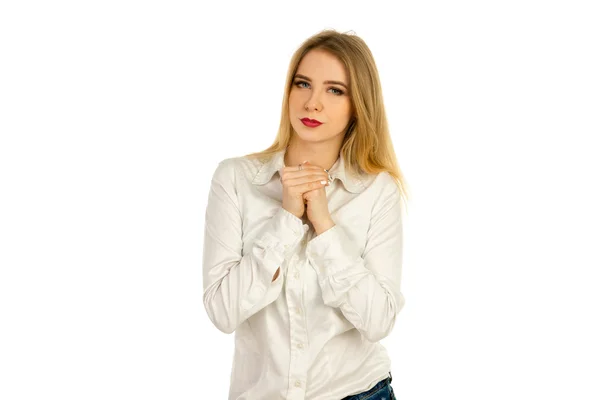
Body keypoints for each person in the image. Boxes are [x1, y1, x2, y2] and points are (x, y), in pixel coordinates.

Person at [202, 28, 409, 400]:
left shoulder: (378, 192)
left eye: (335, 90)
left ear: (358, 105)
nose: (313, 103)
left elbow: (378, 321)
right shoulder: (235, 179)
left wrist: (325, 226)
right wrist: (285, 221)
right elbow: (222, 312)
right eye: (302, 84)